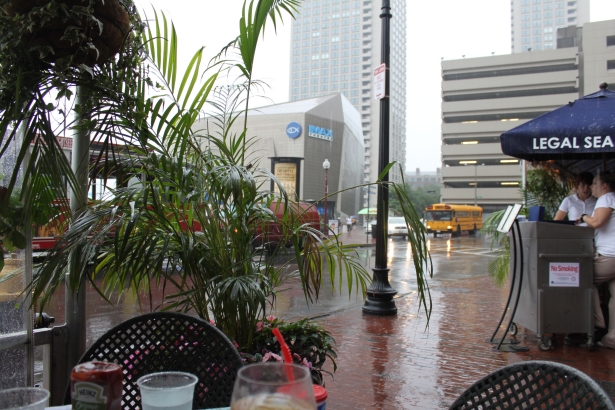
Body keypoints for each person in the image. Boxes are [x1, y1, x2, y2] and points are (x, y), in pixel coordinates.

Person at [576, 171, 615, 348]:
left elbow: (597, 222)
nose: (591, 187)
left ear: (604, 186)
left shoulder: (606, 198)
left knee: (583, 278)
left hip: (610, 256)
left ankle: (597, 325)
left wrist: (584, 217)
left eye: (594, 184)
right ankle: (612, 337)